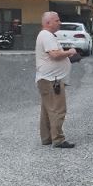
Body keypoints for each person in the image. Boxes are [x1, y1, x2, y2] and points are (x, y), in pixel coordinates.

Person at [36, 11, 78, 148]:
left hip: (46, 79)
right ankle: (58, 139)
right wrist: (69, 52)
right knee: (58, 109)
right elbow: (54, 55)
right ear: (48, 23)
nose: (59, 22)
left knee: (47, 109)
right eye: (57, 20)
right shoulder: (47, 35)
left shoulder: (45, 35)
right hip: (52, 80)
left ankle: (47, 137)